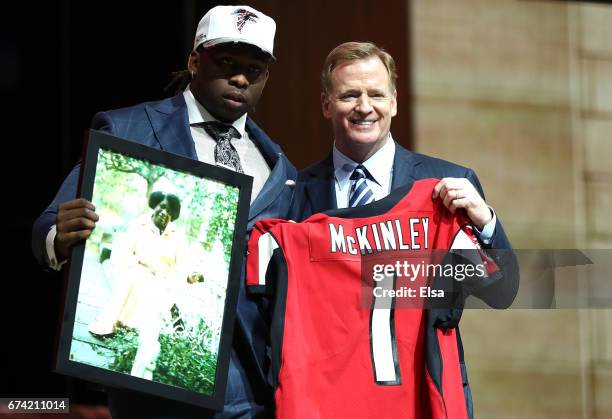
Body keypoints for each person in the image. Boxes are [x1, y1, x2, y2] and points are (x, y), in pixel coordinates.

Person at [32, 5, 297, 418]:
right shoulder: (127, 130)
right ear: (195, 61)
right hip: (154, 399)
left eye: (255, 68)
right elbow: (48, 226)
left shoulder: (280, 170)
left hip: (249, 393)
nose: (241, 78)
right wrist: (61, 237)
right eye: (226, 62)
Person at [289, 41, 519, 418]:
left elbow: (502, 291)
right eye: (349, 95)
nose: (365, 107)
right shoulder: (295, 194)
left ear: (394, 102)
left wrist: (486, 221)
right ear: (326, 105)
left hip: (423, 394)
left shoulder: (445, 184)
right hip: (331, 396)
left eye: (376, 94)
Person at [88, 191, 186, 380]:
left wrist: (165, 274)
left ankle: (136, 332)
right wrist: (143, 263)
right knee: (135, 278)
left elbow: (178, 265)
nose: (164, 212)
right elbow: (123, 254)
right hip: (136, 269)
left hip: (160, 278)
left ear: (173, 215)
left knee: (159, 291)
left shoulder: (176, 236)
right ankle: (114, 324)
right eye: (162, 206)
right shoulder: (138, 225)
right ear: (154, 205)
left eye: (170, 211)